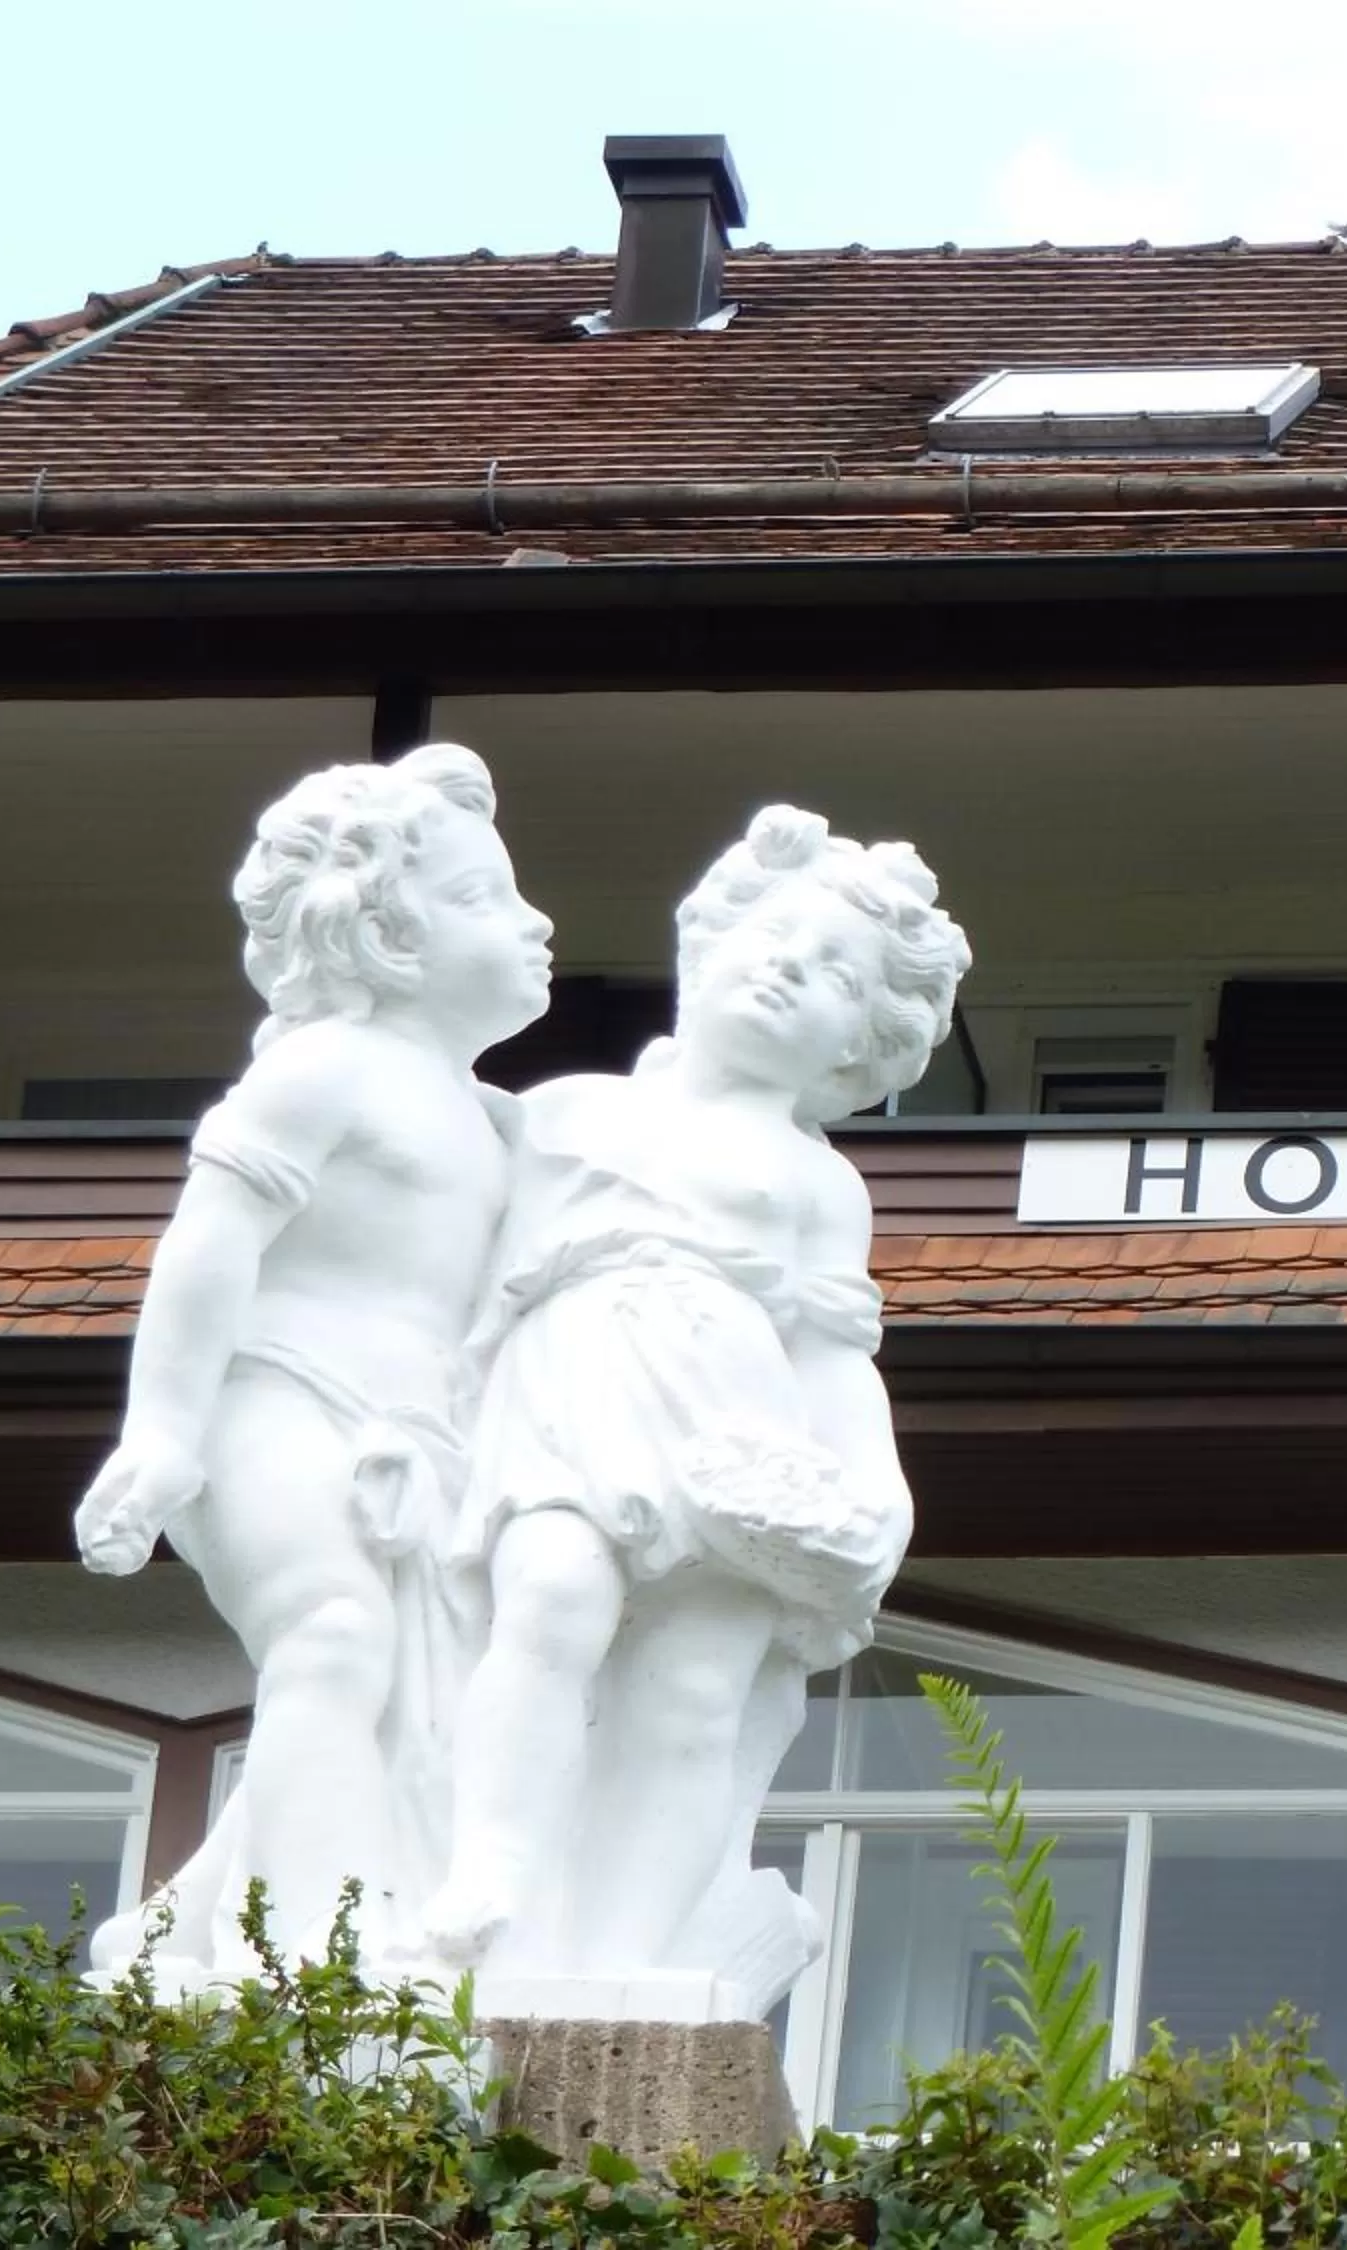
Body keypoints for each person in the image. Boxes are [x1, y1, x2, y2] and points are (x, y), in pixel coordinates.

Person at [423, 806, 967, 1993]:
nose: (787, 968)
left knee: (695, 1688)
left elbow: (832, 1356)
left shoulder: (821, 1185)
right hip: (574, 1384)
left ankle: (629, 1959)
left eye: (833, 974)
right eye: (773, 938)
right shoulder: (561, 1112)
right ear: (707, 945)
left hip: (741, 1438)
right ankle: (492, 1866)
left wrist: (870, 1488)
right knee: (550, 1600)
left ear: (854, 1052)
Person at [75, 744, 553, 1969]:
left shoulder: (501, 1122)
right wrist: (164, 1434)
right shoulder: (325, 1069)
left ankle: (177, 1936)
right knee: (334, 1639)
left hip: (419, 1437)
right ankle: (312, 1972)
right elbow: (210, 1245)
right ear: (386, 936)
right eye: (484, 900)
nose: (535, 921)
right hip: (276, 1399)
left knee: (391, 1704)